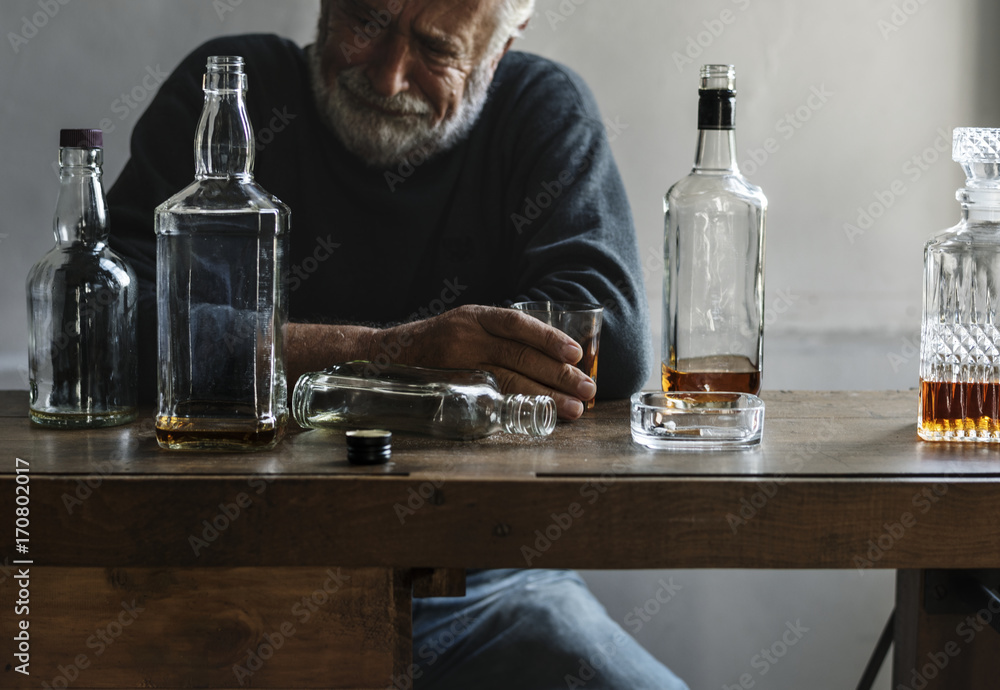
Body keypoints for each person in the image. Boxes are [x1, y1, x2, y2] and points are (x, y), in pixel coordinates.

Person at [109, 1, 687, 688]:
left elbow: (609, 347)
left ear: (502, 44)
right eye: (365, 21)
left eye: (436, 50)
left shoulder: (539, 108)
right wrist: (400, 351)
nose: (386, 77)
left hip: (483, 589)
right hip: (228, 579)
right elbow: (115, 328)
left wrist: (290, 358)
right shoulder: (229, 89)